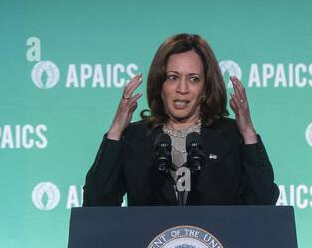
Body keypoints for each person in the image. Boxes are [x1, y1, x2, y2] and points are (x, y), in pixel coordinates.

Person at [82, 33, 279, 206]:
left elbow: (263, 202)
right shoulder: (135, 138)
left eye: (193, 79)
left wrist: (248, 134)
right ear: (160, 83)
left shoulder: (230, 137)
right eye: (173, 77)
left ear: (205, 87)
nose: (182, 89)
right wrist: (116, 131)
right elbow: (96, 202)